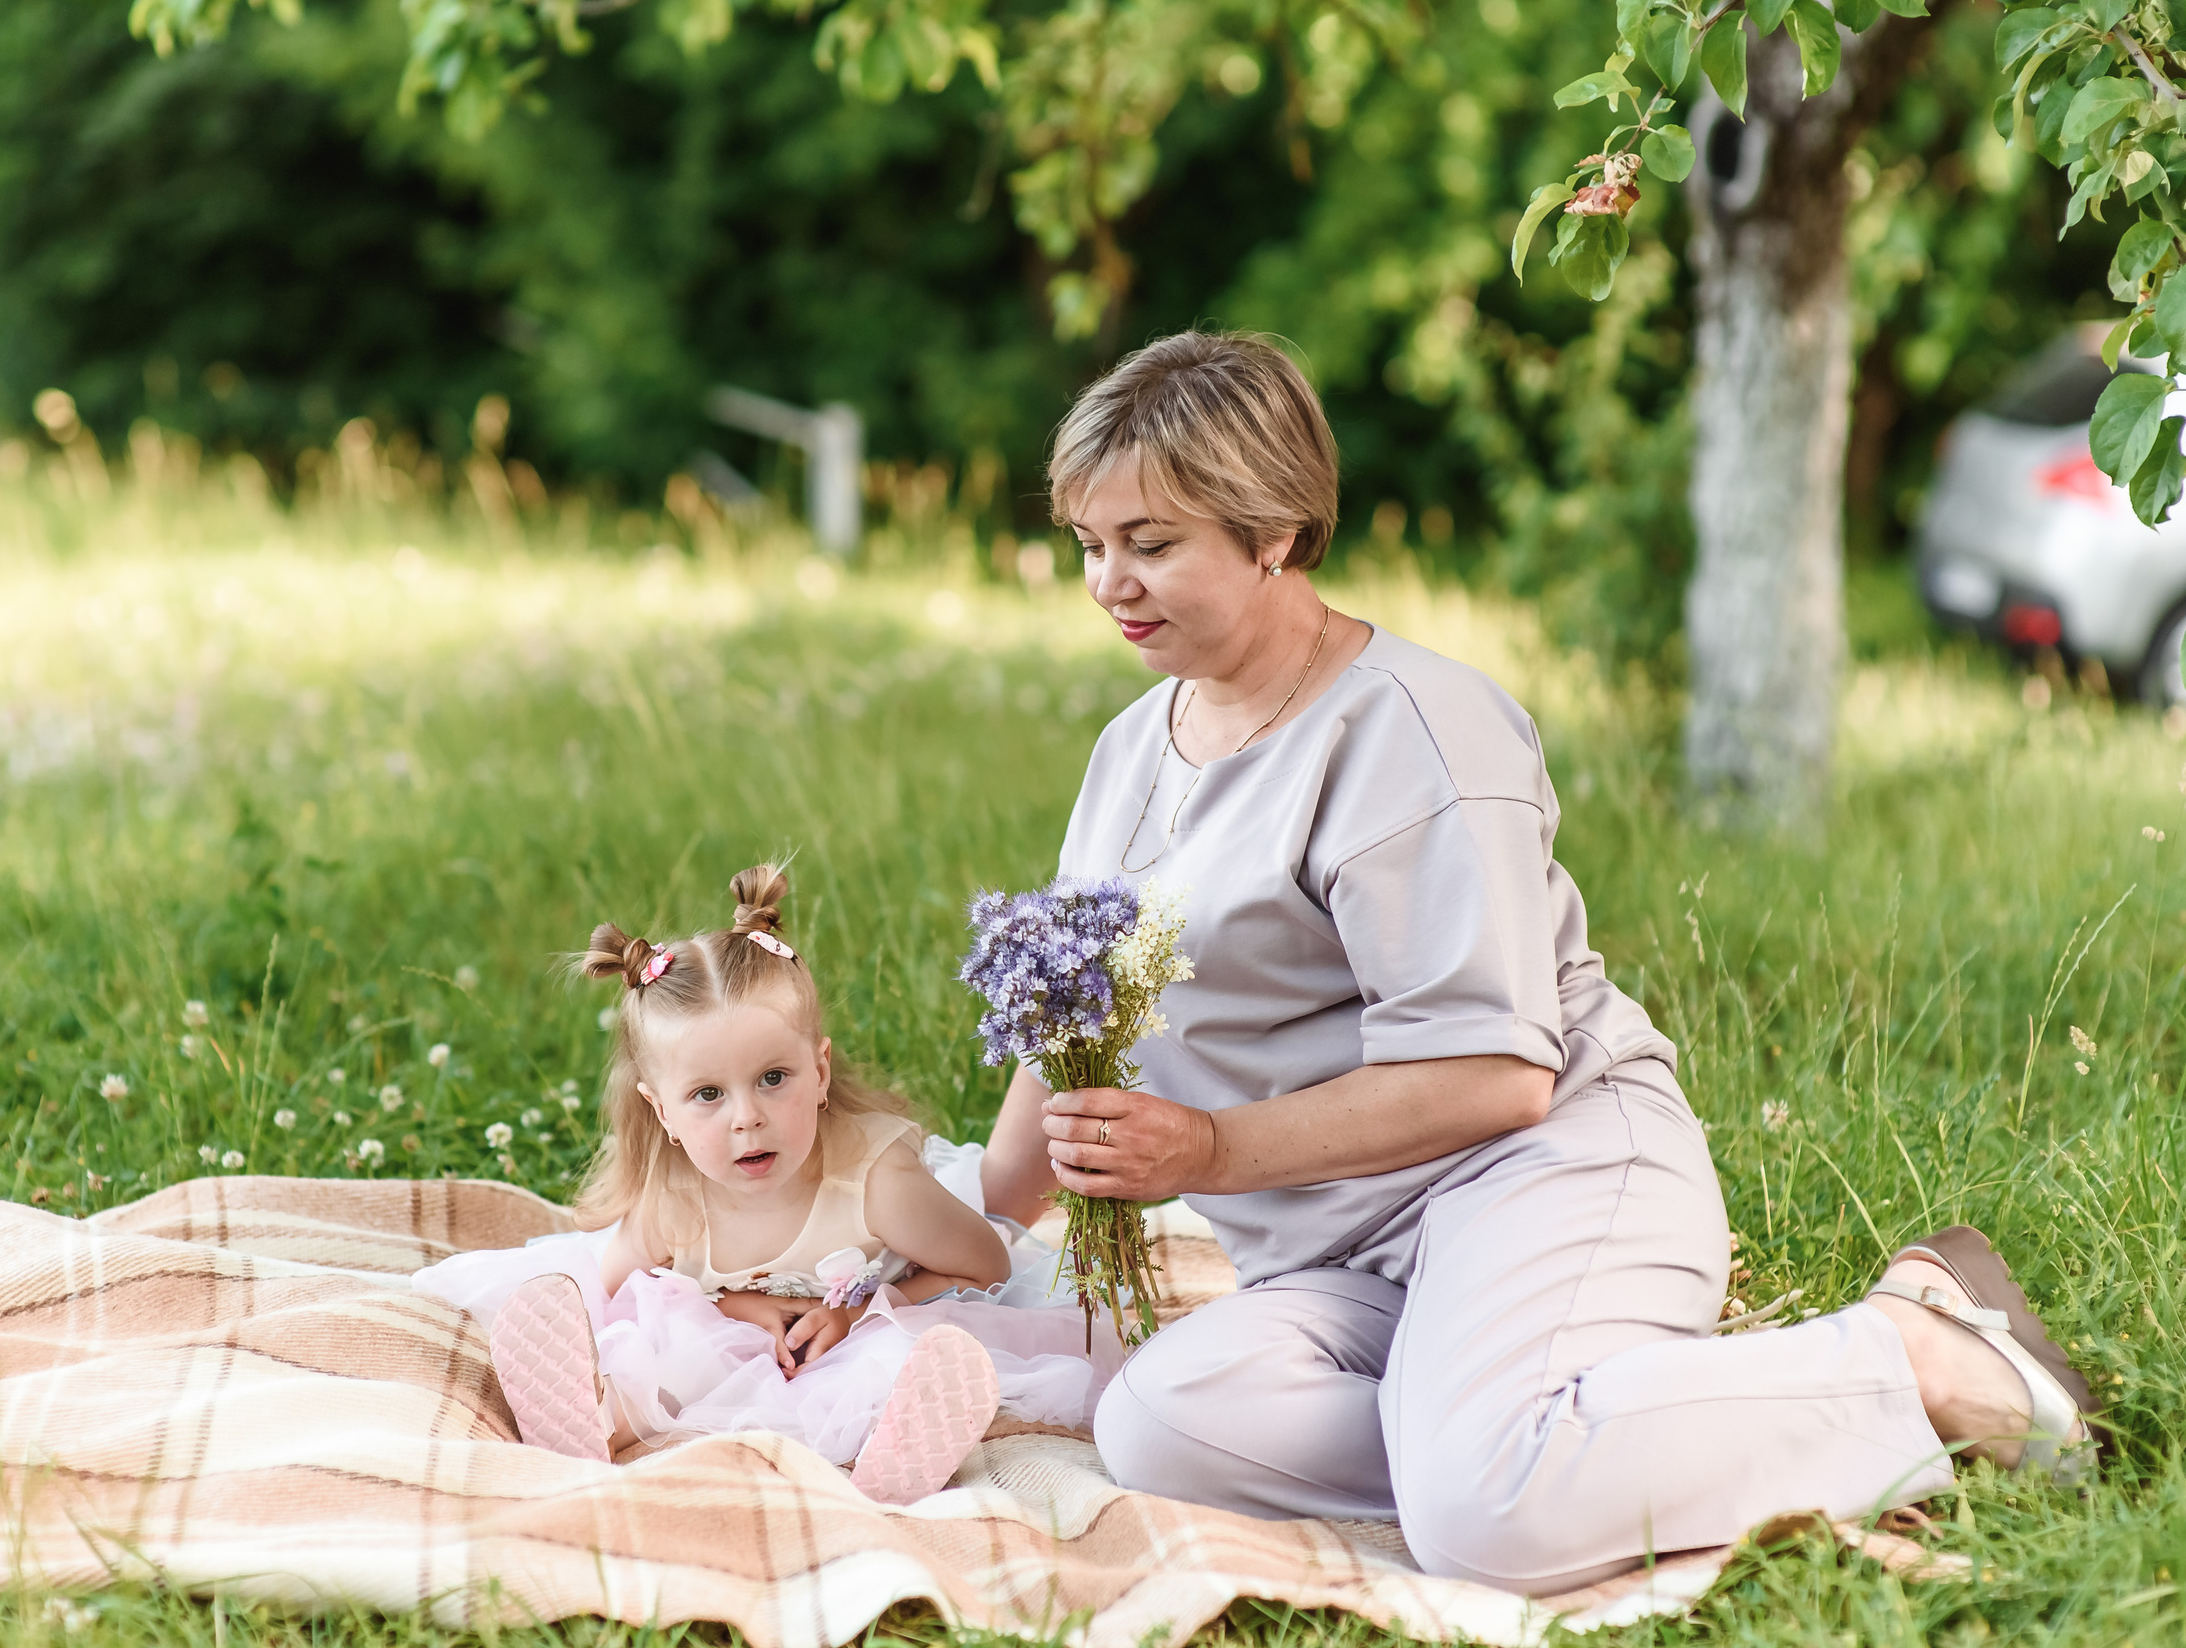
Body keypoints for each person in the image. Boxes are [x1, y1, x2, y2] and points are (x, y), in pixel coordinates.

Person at [978, 330, 2101, 1591]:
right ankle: (1544, 1418)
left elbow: (1496, 1076)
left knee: (1482, 1517)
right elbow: (1065, 1018)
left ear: (1275, 530)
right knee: (1161, 1422)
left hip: (1542, 1171)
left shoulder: (1411, 733)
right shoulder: (1136, 746)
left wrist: (1209, 1152)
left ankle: (1909, 1351)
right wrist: (953, 1239)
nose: (1108, 583)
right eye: (1090, 544)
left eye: (1152, 543)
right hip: (1351, 1257)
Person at [416, 864, 1103, 1505]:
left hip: (856, 1324)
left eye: (774, 1078)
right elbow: (617, 1292)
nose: (748, 1117)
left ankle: (899, 1447)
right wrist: (740, 1305)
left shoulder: (875, 1182)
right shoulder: (675, 1198)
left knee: (889, 1359)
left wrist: (859, 1311)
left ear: (821, 1070)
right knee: (657, 1342)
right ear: (663, 1112)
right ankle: (591, 1415)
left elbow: (985, 1262)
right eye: (708, 1094)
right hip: (736, 1327)